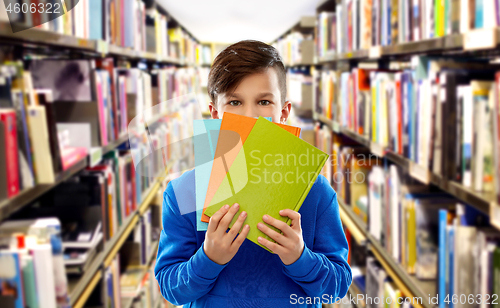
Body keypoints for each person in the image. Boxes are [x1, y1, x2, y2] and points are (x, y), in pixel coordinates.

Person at [154, 40, 352, 307]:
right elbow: (170, 288)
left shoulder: (316, 191)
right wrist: (209, 258)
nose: (249, 116)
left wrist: (299, 256)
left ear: (284, 113)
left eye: (264, 101)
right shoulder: (182, 192)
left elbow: (336, 287)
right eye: (234, 102)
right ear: (215, 114)